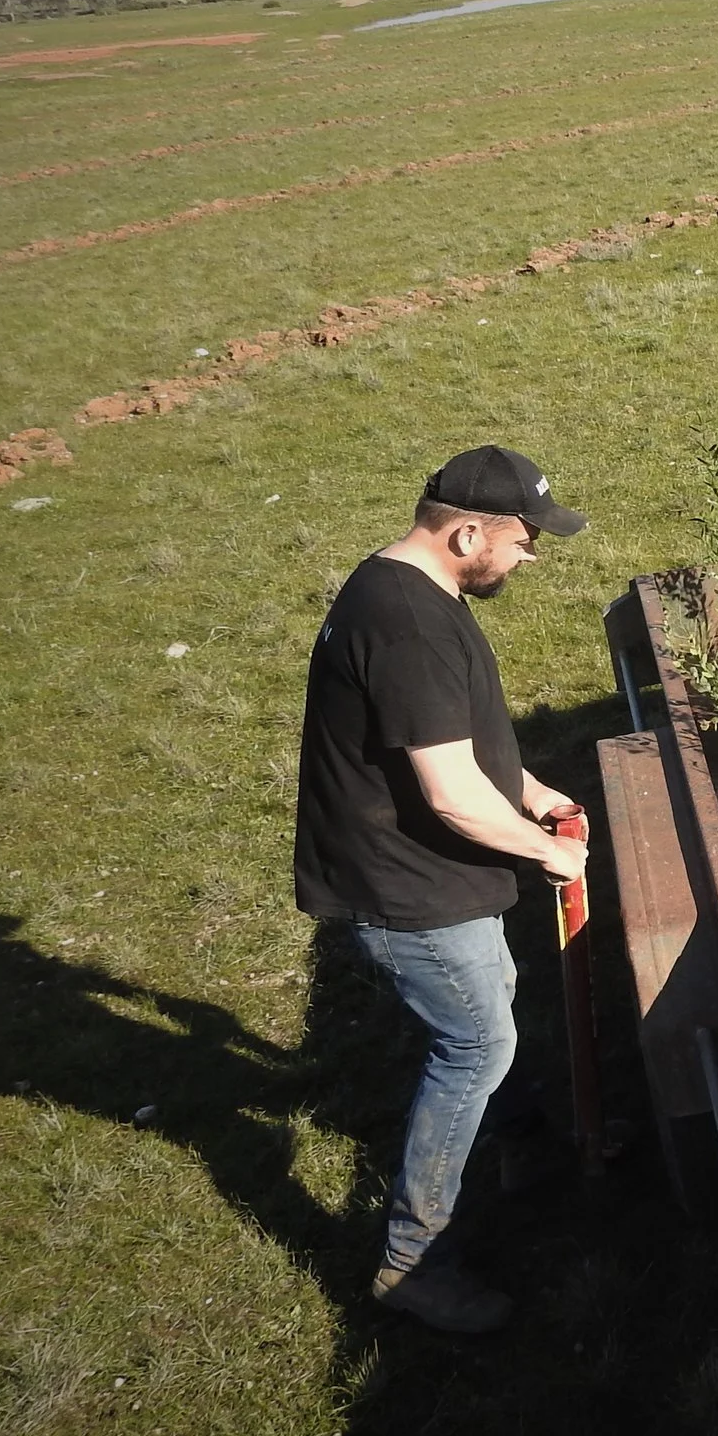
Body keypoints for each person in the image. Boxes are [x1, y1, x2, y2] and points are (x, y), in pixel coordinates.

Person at [293, 445, 591, 1334]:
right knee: (475, 1047)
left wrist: (532, 792)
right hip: (408, 883)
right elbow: (452, 794)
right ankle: (414, 1263)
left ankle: (526, 1151)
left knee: (490, 1003)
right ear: (466, 533)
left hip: (423, 864)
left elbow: (458, 740)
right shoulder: (409, 627)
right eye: (524, 540)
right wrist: (547, 854)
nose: (529, 557)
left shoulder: (406, 586)